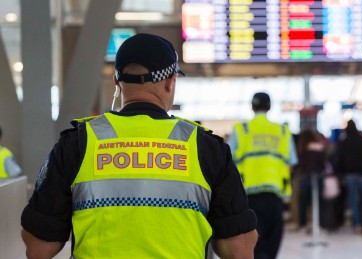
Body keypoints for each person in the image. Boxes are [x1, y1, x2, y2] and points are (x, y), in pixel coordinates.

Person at [20, 33, 258, 259]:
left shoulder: (77, 143)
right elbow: (239, 250)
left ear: (116, 82)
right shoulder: (205, 147)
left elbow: (38, 248)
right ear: (170, 82)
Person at [228, 92, 298, 259]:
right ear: (269, 107)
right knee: (273, 242)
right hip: (275, 195)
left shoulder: (242, 130)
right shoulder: (282, 131)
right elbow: (291, 163)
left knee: (254, 245)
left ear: (252, 107)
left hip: (248, 197)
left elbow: (227, 162)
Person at [336, 120, 362, 234]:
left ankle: (357, 224)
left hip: (350, 174)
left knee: (354, 200)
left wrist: (340, 174)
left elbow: (340, 159)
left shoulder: (344, 142)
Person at [295, 128, 326, 231]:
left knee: (303, 203)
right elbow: (323, 164)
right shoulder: (318, 147)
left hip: (304, 177)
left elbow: (298, 164)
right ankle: (318, 224)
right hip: (317, 177)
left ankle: (303, 224)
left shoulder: (301, 148)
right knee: (318, 202)